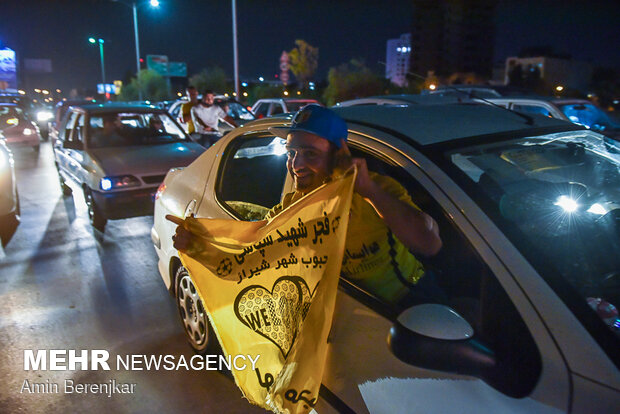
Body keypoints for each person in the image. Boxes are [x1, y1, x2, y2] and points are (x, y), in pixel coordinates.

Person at [169, 105, 442, 305]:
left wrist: (367, 190)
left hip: (412, 304)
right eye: (291, 153)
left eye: (310, 153)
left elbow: (429, 243)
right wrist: (198, 243)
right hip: (354, 316)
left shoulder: (376, 190)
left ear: (338, 154)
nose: (296, 165)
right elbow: (252, 247)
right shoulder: (294, 206)